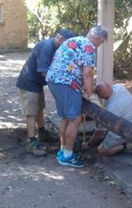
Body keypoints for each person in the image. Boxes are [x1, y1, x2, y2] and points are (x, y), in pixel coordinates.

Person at [46, 25, 108, 167]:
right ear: (99, 38)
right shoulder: (89, 47)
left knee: (66, 117)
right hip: (67, 83)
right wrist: (90, 94)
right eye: (102, 42)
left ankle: (63, 150)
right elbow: (87, 73)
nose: (100, 45)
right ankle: (67, 155)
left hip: (54, 80)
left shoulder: (74, 40)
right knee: (75, 118)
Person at [16, 29, 76, 156]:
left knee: (39, 109)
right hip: (29, 82)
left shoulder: (55, 48)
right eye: (67, 42)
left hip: (37, 83)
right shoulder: (46, 47)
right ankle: (32, 143)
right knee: (31, 113)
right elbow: (44, 72)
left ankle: (42, 133)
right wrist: (58, 90)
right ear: (61, 39)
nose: (67, 46)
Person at [89, 82, 132, 156]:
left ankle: (128, 146)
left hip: (130, 132)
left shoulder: (112, 109)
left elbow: (99, 132)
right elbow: (103, 88)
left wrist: (89, 144)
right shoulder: (119, 87)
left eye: (97, 94)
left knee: (102, 150)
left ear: (101, 95)